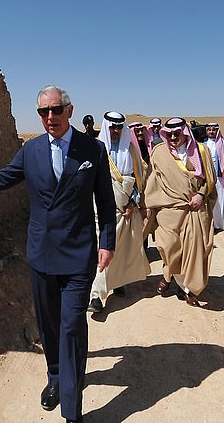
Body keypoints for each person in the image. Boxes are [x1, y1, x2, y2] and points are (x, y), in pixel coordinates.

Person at [0, 85, 116, 423]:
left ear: (69, 111)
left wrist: (107, 242)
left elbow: (105, 200)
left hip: (78, 253)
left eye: (56, 110)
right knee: (48, 322)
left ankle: (73, 410)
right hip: (42, 252)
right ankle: (56, 377)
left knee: (72, 323)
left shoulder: (93, 149)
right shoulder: (30, 152)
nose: (50, 117)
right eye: (43, 112)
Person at [144, 118, 217, 307]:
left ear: (185, 133)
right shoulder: (159, 153)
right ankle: (168, 274)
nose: (173, 137)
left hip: (195, 208)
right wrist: (148, 206)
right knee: (169, 246)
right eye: (169, 134)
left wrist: (201, 195)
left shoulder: (202, 151)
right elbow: (152, 182)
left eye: (177, 134)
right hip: (169, 209)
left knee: (193, 250)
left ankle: (187, 289)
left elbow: (210, 179)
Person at [87, 113, 150, 312]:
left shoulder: (131, 150)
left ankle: (118, 281)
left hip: (125, 210)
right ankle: (96, 295)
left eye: (118, 128)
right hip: (100, 209)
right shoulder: (95, 149)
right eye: (112, 127)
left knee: (121, 249)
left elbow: (140, 179)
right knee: (102, 249)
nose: (115, 131)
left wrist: (134, 203)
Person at [203, 123, 224, 230]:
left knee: (219, 201)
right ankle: (207, 226)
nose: (211, 132)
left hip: (218, 177)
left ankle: (217, 225)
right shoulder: (203, 144)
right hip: (205, 178)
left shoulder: (223, 144)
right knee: (206, 202)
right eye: (209, 130)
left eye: (214, 129)